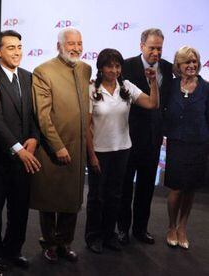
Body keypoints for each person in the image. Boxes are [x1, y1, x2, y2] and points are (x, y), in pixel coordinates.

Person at [85, 48, 159, 254]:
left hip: (123, 150)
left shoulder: (126, 86)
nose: (114, 70)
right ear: (101, 67)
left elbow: (152, 103)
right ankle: (93, 237)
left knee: (115, 196)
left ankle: (109, 235)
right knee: (96, 197)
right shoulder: (91, 89)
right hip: (99, 152)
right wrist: (91, 155)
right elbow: (86, 127)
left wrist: (153, 82)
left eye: (117, 66)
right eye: (109, 66)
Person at [0, 30, 40, 270]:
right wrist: (17, 148)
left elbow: (35, 114)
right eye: (11, 47)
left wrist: (34, 138)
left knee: (20, 209)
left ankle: (14, 250)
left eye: (19, 47)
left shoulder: (28, 76)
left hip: (25, 157)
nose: (17, 52)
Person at [30, 27, 91, 263]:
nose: (75, 48)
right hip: (54, 148)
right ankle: (50, 244)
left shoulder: (86, 69)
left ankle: (65, 243)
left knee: (72, 200)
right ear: (59, 46)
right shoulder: (43, 71)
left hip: (78, 148)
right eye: (70, 44)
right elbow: (42, 116)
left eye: (79, 43)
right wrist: (58, 146)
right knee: (50, 199)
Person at [118, 28, 173, 245]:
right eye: (152, 48)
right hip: (129, 137)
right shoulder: (126, 65)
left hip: (153, 139)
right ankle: (122, 229)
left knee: (146, 187)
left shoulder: (168, 68)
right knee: (124, 187)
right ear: (142, 46)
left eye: (159, 48)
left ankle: (141, 229)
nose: (156, 53)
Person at [164, 46, 209, 250]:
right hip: (176, 143)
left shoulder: (206, 88)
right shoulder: (171, 86)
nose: (191, 65)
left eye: (194, 62)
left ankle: (182, 227)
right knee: (176, 188)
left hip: (199, 144)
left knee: (190, 189)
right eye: (187, 62)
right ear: (179, 66)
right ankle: (171, 226)